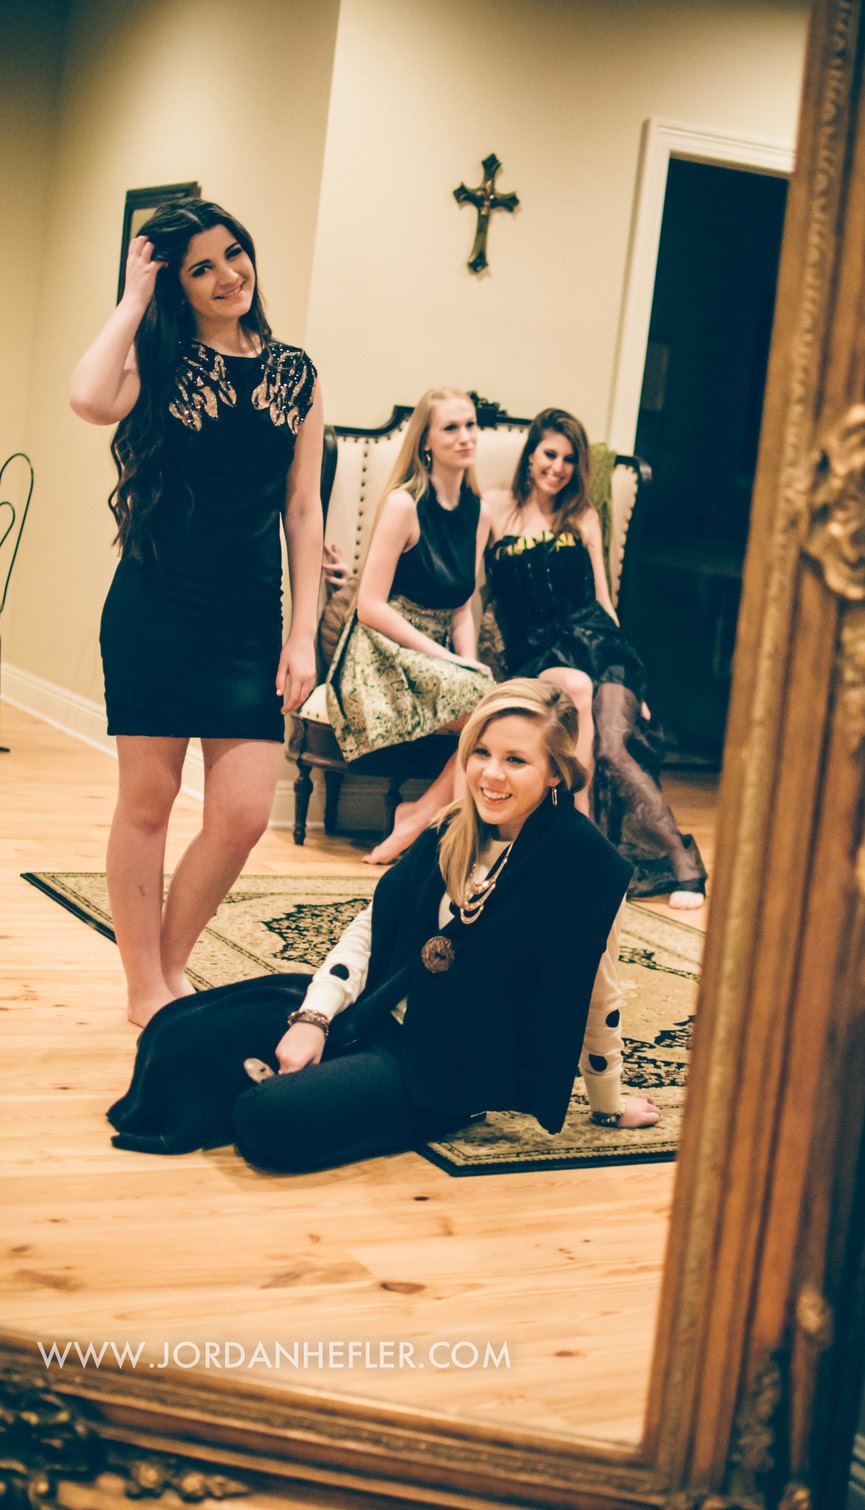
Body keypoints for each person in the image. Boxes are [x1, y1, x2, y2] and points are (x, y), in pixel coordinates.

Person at [106, 680, 660, 1168]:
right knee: (176, 1034)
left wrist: (608, 1103)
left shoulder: (585, 868)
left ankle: (296, 1093)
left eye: (516, 760)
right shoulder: (453, 828)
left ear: (556, 771)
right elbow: (370, 930)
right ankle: (283, 1081)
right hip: (373, 1009)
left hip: (442, 1063)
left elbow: (598, 995)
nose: (491, 775)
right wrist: (314, 1018)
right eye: (481, 753)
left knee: (267, 1121)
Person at [69, 198, 327, 1027]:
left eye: (234, 254)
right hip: (157, 609)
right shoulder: (160, 359)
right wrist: (132, 301)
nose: (227, 275)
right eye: (202, 267)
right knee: (147, 805)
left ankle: (169, 962)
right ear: (178, 286)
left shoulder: (296, 373)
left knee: (244, 815)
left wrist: (303, 635)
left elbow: (303, 511)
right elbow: (88, 398)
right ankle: (146, 987)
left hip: (249, 621)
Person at [482, 409, 707, 905]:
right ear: (531, 455)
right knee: (584, 707)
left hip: (601, 646)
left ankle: (683, 867)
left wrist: (634, 685)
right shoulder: (494, 508)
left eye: (569, 459)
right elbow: (470, 591)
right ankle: (584, 842)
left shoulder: (583, 515)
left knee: (615, 747)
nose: (558, 467)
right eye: (550, 454)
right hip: (540, 652)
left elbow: (603, 600)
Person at [323, 387, 493, 864]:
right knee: (490, 713)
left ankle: (422, 818)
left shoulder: (478, 511)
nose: (465, 437)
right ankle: (451, 841)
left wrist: (468, 665)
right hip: (381, 653)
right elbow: (370, 607)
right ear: (426, 441)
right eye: (451, 428)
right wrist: (448, 661)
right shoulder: (404, 504)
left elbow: (461, 607)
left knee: (493, 709)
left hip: (437, 654)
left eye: (470, 425)